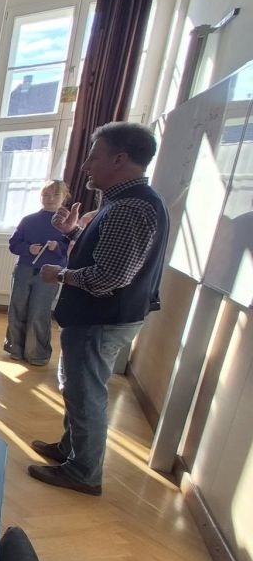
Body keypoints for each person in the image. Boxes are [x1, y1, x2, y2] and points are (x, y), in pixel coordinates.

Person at [29, 122, 169, 496]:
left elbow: (108, 277)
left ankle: (83, 472)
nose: (86, 164)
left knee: (86, 393)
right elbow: (110, 255)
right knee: (77, 387)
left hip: (101, 318)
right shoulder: (127, 202)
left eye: (94, 156)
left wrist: (59, 274)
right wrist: (74, 234)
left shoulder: (130, 207)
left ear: (120, 159)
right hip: (101, 317)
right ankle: (71, 449)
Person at [5, 181, 70, 366]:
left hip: (50, 274)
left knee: (39, 312)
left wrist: (57, 247)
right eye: (46, 195)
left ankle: (37, 354)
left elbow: (71, 250)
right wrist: (28, 249)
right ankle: (15, 347)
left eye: (55, 195)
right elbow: (13, 244)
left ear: (64, 197)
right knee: (17, 309)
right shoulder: (28, 220)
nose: (50, 199)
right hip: (24, 269)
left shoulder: (67, 224)